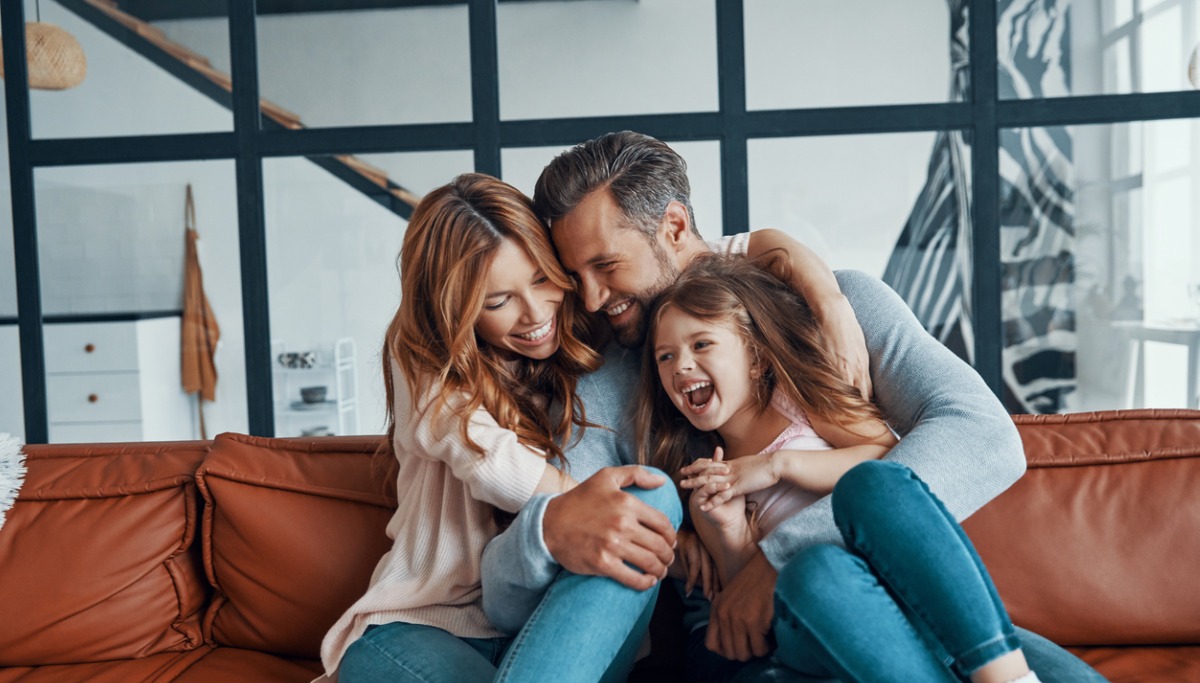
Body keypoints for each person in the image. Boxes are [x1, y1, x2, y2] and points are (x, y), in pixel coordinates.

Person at [481, 131, 1105, 682]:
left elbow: (985, 439)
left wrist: (780, 559)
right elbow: (566, 536)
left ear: (673, 227)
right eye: (575, 275)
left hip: (897, 601)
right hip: (754, 645)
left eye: (606, 266)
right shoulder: (605, 382)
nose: (589, 299)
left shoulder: (838, 307)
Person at [317, 173, 681, 683]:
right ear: (453, 310)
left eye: (541, 278)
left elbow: (678, 260)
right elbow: (486, 456)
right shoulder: (425, 358)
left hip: (558, 627)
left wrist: (780, 251)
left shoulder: (583, 329)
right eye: (497, 301)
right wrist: (583, 506)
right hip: (425, 625)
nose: (535, 314)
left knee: (652, 494)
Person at [638, 254, 1043, 683]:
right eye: (665, 357)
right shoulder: (706, 474)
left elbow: (888, 462)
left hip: (885, 589)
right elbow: (746, 598)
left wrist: (779, 465)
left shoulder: (800, 406)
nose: (680, 365)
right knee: (811, 584)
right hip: (806, 619)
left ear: (755, 357)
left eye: (701, 345)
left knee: (871, 493)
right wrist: (729, 528)